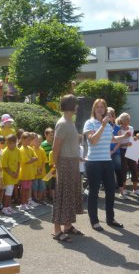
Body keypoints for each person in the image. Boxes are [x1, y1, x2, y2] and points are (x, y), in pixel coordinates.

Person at [83, 98, 129, 232]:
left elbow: (112, 139)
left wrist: (124, 136)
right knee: (94, 192)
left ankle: (110, 218)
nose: (100, 109)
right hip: (94, 162)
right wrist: (102, 126)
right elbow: (93, 141)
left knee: (110, 191)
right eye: (97, 107)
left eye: (102, 107)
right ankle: (94, 221)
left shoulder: (108, 125)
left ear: (105, 109)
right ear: (94, 109)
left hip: (107, 161)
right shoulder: (89, 123)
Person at [51, 95, 83, 242]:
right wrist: (56, 166)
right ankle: (57, 230)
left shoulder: (70, 122)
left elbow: (69, 144)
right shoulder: (62, 123)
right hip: (64, 164)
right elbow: (56, 147)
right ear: (72, 105)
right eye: (76, 104)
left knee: (70, 196)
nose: (77, 107)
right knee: (62, 196)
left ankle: (68, 226)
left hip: (73, 163)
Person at [117, 112, 139, 197]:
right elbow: (118, 142)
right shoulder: (119, 129)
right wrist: (125, 144)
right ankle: (123, 190)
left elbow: (132, 138)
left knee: (134, 169)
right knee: (123, 170)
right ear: (123, 120)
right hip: (122, 150)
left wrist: (134, 138)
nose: (129, 121)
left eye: (129, 119)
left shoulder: (131, 128)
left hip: (131, 150)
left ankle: (135, 189)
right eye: (127, 119)